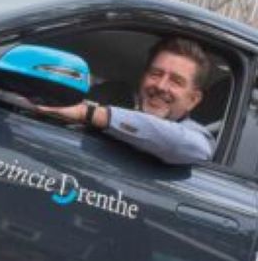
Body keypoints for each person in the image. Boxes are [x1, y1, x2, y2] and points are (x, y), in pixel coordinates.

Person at [37, 36, 215, 166]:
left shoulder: (196, 136)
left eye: (175, 81)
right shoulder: (114, 116)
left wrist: (90, 113)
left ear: (193, 99)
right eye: (156, 74)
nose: (161, 86)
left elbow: (188, 146)